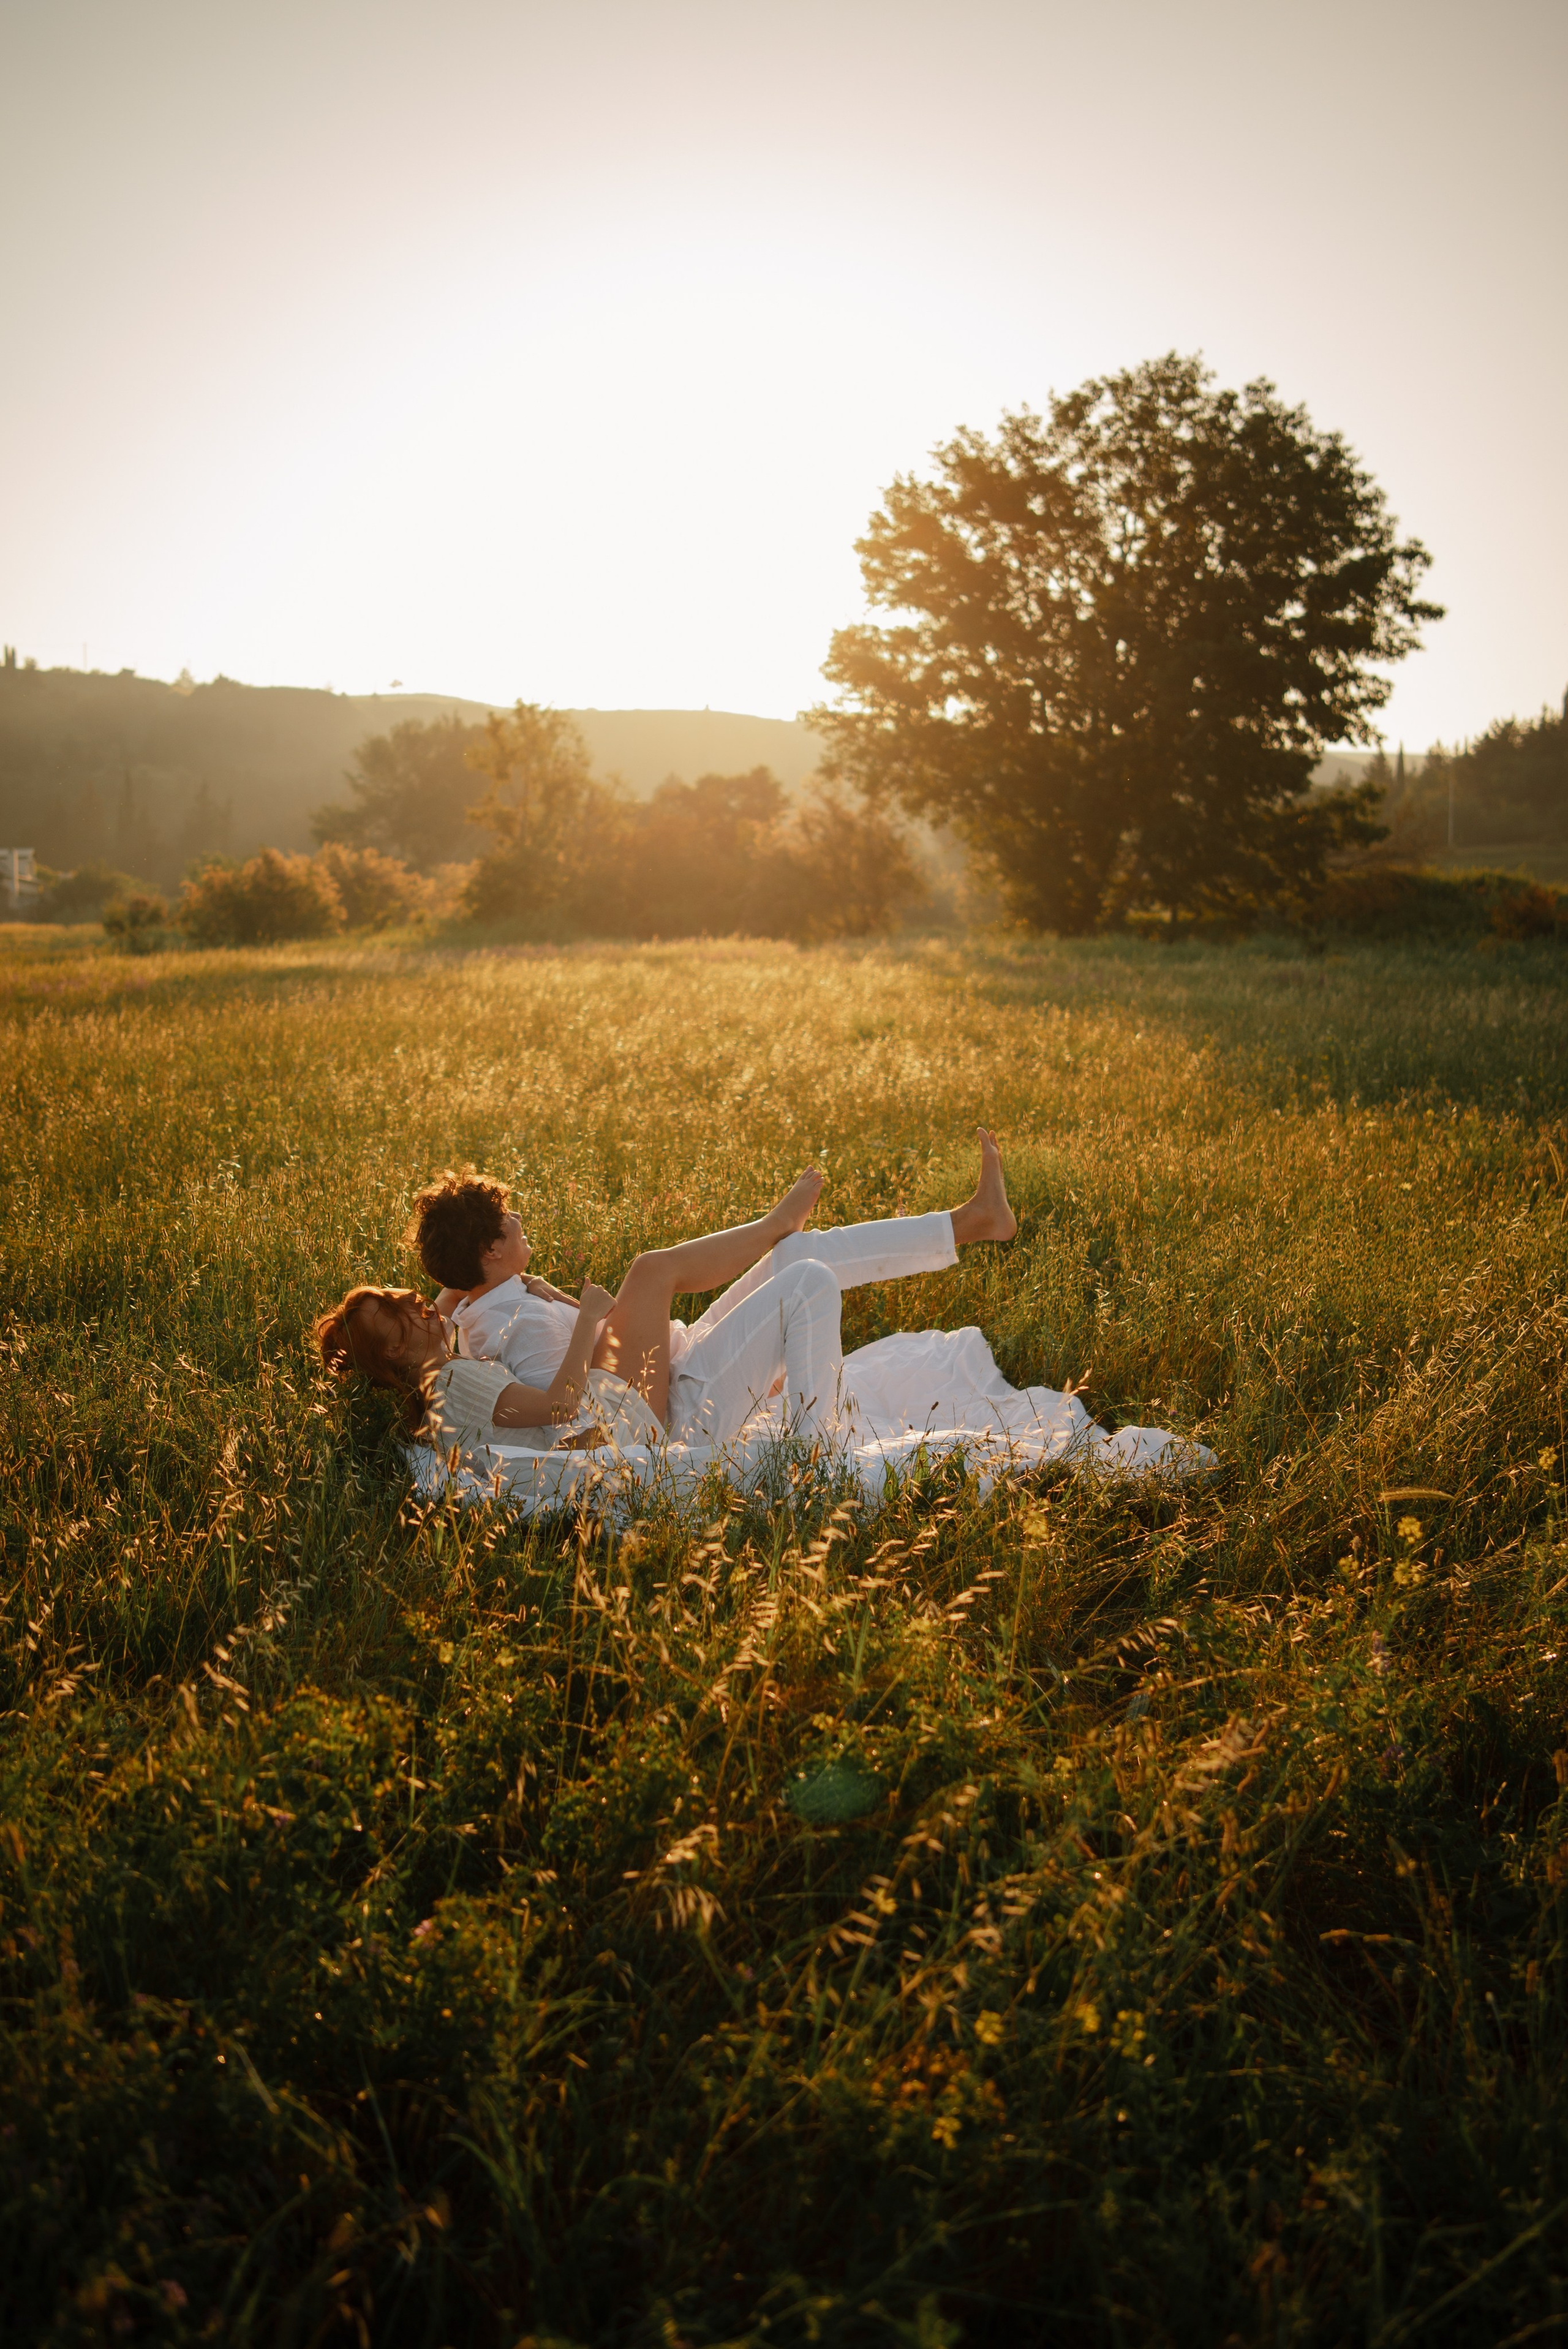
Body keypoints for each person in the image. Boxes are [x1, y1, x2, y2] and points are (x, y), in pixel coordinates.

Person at [317, 1133, 1018, 1454]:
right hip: (657, 1411)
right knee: (658, 1271)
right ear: (491, 1249)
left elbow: (436, 1298)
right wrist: (588, 1316)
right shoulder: (492, 1331)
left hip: (672, 1364)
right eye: (507, 1217)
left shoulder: (467, 1305)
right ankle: (815, 1451)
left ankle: (971, 1223)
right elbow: (567, 1414)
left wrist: (466, 1280)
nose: (519, 1217)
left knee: (804, 1255)